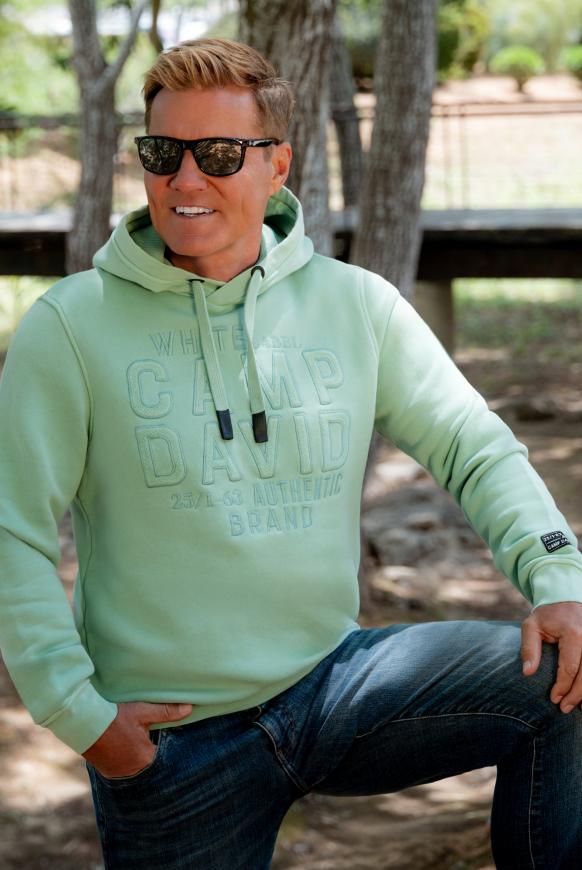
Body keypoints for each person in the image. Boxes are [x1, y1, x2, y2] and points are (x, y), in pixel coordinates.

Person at [0, 37, 581, 870]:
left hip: (336, 686)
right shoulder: (69, 327)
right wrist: (81, 716)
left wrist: (559, 577)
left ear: (277, 166)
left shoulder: (356, 306)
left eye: (218, 155)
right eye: (163, 153)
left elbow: (472, 445)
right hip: (174, 742)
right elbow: (12, 528)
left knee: (564, 682)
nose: (185, 180)